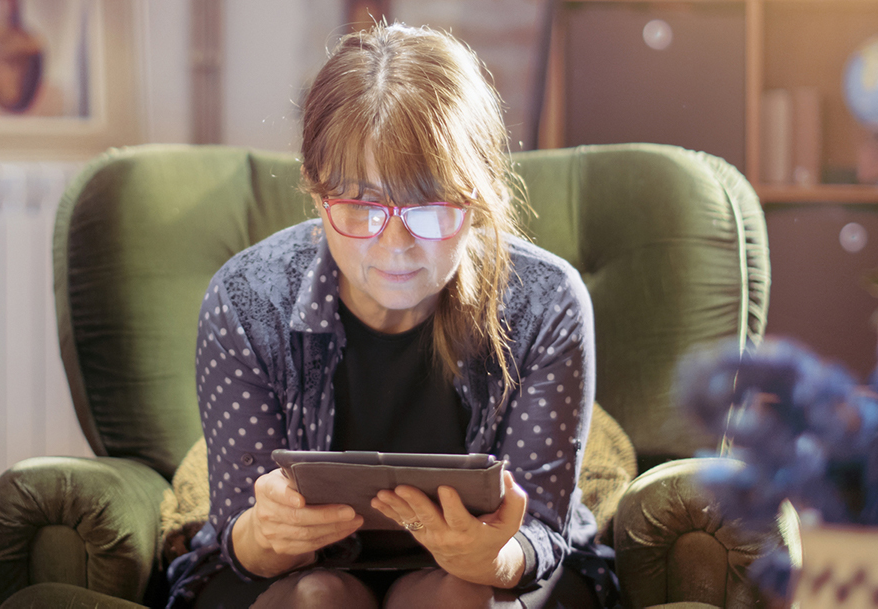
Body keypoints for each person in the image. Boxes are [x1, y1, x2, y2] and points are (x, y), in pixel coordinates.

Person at [166, 22, 616, 609]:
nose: (395, 243)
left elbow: (541, 531)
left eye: (430, 206)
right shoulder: (249, 298)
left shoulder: (545, 299)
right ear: (315, 191)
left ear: (476, 199)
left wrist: (493, 557)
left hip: (489, 580)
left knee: (458, 597)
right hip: (293, 579)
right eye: (359, 205)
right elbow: (239, 538)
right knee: (317, 598)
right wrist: (270, 535)